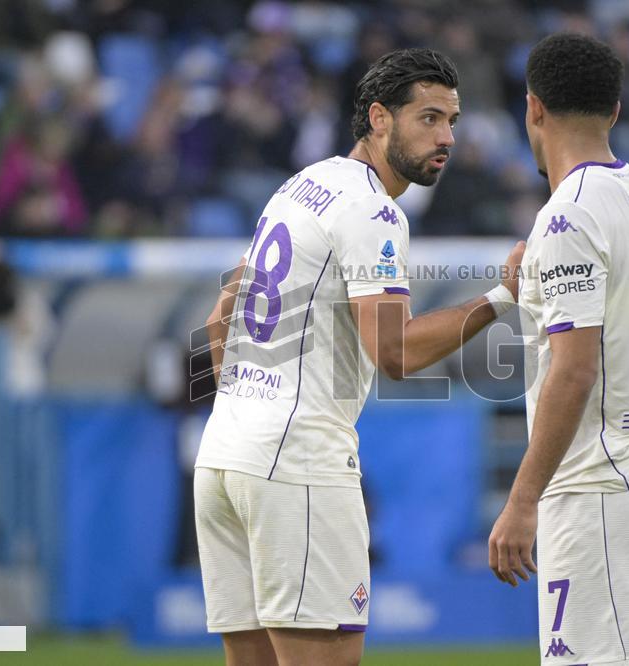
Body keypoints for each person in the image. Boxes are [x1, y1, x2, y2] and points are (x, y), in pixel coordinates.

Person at [194, 48, 524, 666]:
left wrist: (244, 413)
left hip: (224, 455)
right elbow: (394, 353)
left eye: (452, 121)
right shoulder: (374, 210)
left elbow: (220, 318)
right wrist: (504, 297)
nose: (446, 137)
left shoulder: (299, 186)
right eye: (428, 118)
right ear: (378, 118)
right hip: (298, 460)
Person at [488, 33, 629, 665]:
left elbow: (574, 372)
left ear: (533, 109)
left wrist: (522, 503)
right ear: (616, 110)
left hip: (598, 488)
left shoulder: (566, 217)